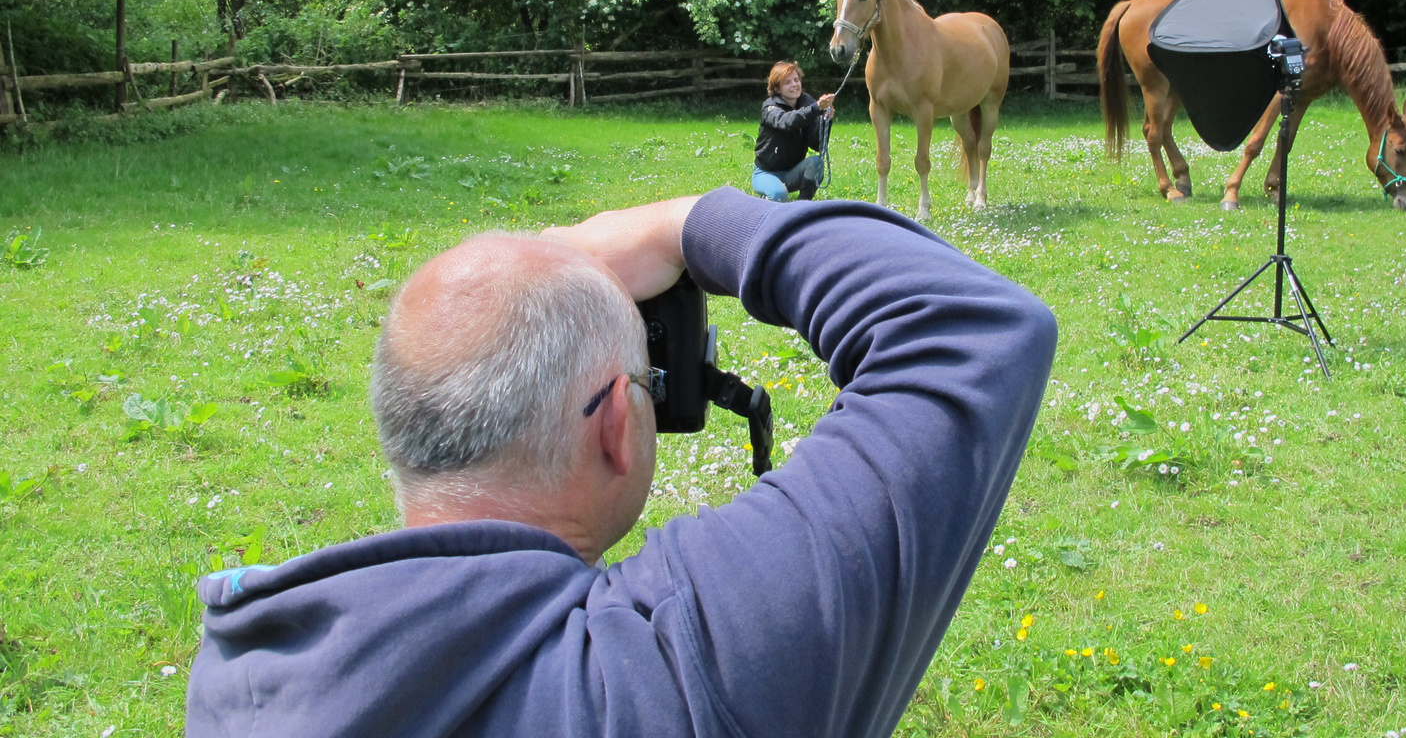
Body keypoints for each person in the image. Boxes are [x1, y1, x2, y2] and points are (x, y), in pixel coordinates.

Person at [185, 188, 1057, 738]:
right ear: (615, 428)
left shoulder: (247, 669)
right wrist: (685, 222)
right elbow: (966, 326)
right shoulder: (676, 665)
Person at [753, 60, 835, 201]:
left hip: (792, 173)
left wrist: (825, 121)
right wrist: (814, 109)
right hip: (766, 173)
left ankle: (803, 205)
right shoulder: (769, 107)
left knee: (817, 162)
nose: (794, 85)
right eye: (787, 82)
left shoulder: (807, 103)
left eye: (796, 80)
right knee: (779, 194)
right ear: (777, 88)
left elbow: (817, 145)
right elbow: (787, 121)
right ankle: (768, 197)